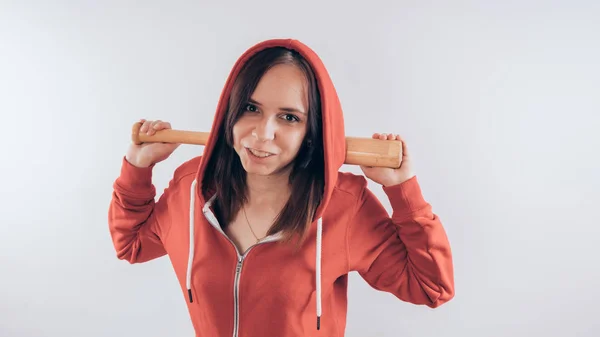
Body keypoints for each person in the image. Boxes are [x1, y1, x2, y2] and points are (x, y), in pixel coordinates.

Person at [108, 38, 454, 336]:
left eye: (289, 117)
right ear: (228, 112)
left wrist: (403, 191)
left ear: (312, 130)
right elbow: (132, 244)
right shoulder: (192, 186)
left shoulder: (344, 205)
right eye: (250, 108)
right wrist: (139, 168)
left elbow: (431, 287)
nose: (262, 134)